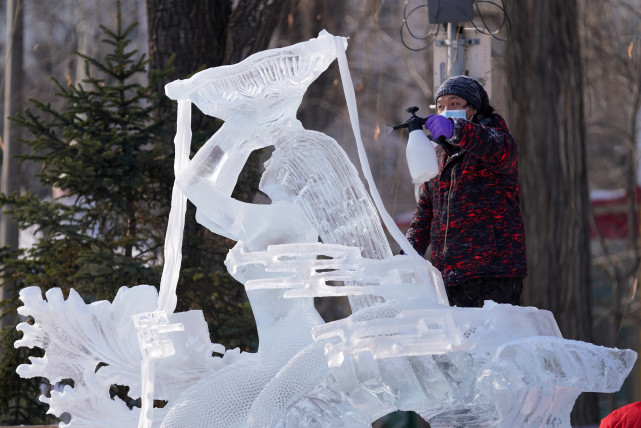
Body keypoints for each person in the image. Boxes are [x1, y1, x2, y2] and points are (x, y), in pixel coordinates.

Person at [405, 75, 527, 307]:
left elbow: (498, 150)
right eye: (440, 106)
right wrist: (407, 253)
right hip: (449, 276)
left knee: (491, 340)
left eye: (454, 104)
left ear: (474, 109)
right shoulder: (439, 157)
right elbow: (425, 214)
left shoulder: (495, 139)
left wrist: (456, 129)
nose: (445, 110)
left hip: (493, 272)